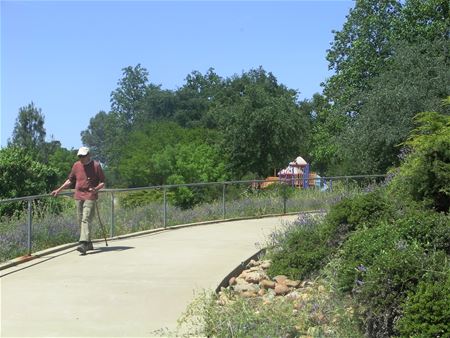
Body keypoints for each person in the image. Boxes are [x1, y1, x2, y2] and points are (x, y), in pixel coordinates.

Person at [52, 146, 105, 255]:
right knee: (80, 220)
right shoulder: (76, 165)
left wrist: (96, 189)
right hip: (78, 195)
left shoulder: (96, 166)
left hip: (90, 195)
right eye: (80, 156)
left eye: (83, 156)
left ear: (88, 155)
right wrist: (59, 190)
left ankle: (83, 243)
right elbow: (70, 181)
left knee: (86, 218)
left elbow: (103, 182)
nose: (81, 158)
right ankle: (89, 243)